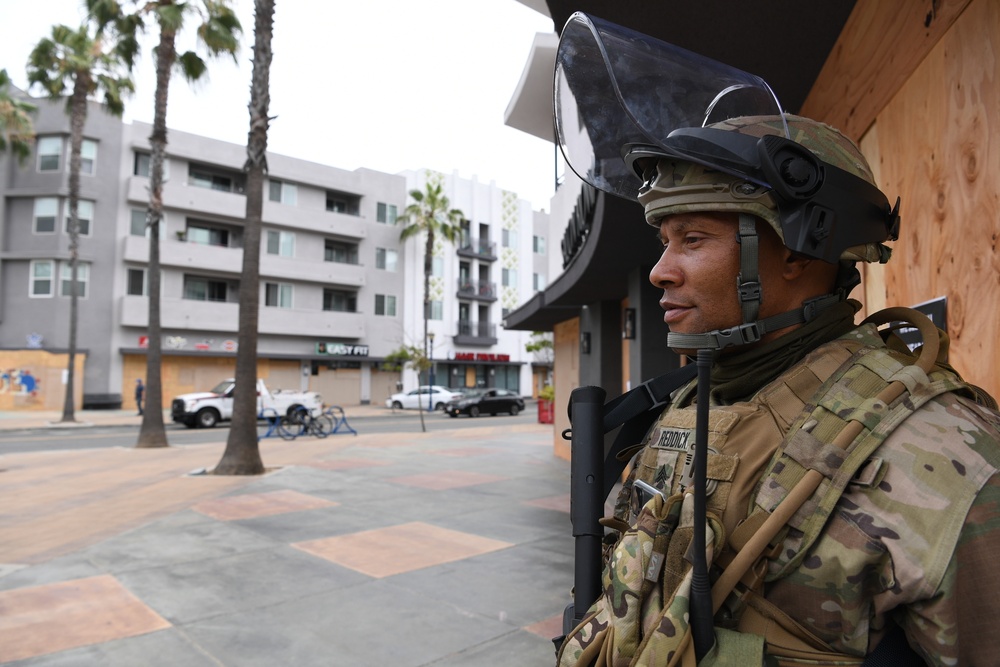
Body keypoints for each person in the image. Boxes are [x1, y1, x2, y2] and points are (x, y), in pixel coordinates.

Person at [553, 13, 1000, 667]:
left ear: (797, 250)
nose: (659, 270)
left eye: (694, 239)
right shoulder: (685, 404)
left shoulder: (940, 449)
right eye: (663, 239)